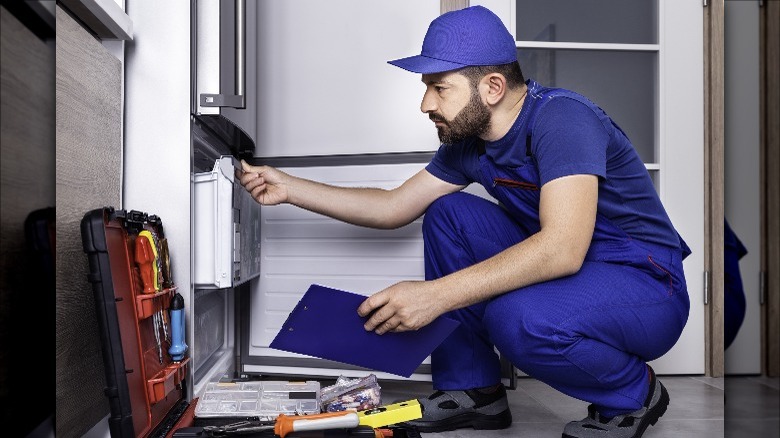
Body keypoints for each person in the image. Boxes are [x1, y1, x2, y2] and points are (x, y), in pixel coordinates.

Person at [239, 6, 691, 438]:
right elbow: (393, 207)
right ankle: (475, 391)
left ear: (492, 87)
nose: (424, 104)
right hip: (576, 271)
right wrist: (290, 187)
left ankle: (634, 393)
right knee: (448, 213)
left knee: (517, 319)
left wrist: (434, 296)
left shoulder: (562, 119)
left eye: (439, 88)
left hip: (645, 283)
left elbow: (562, 249)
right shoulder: (467, 143)